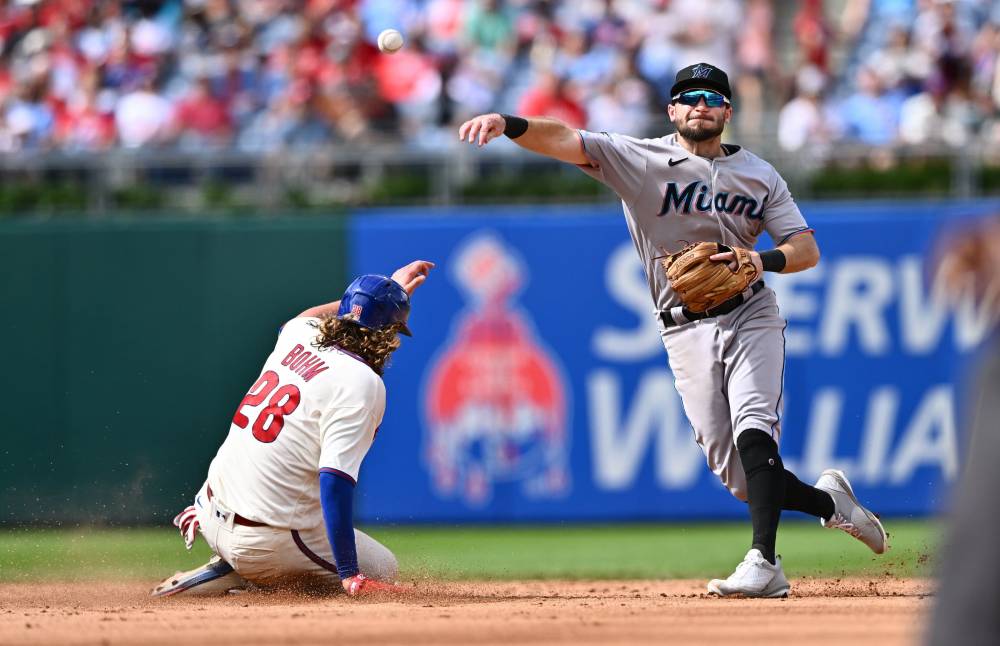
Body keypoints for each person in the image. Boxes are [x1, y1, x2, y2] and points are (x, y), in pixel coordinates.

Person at [458, 63, 887, 598]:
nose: (699, 105)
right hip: (682, 329)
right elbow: (567, 139)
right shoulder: (639, 158)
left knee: (756, 428)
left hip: (750, 312)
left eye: (711, 97)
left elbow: (807, 248)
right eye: (688, 97)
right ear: (672, 110)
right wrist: (510, 122)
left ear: (728, 111)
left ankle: (765, 562)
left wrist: (762, 260)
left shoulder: (760, 174)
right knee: (741, 479)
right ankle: (830, 504)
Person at [151, 260, 435, 598]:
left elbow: (306, 317)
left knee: (299, 516)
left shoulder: (301, 335)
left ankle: (233, 565)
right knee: (382, 569)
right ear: (387, 334)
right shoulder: (362, 383)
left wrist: (369, 296)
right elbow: (335, 481)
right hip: (263, 540)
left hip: (210, 508)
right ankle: (247, 575)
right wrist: (348, 572)